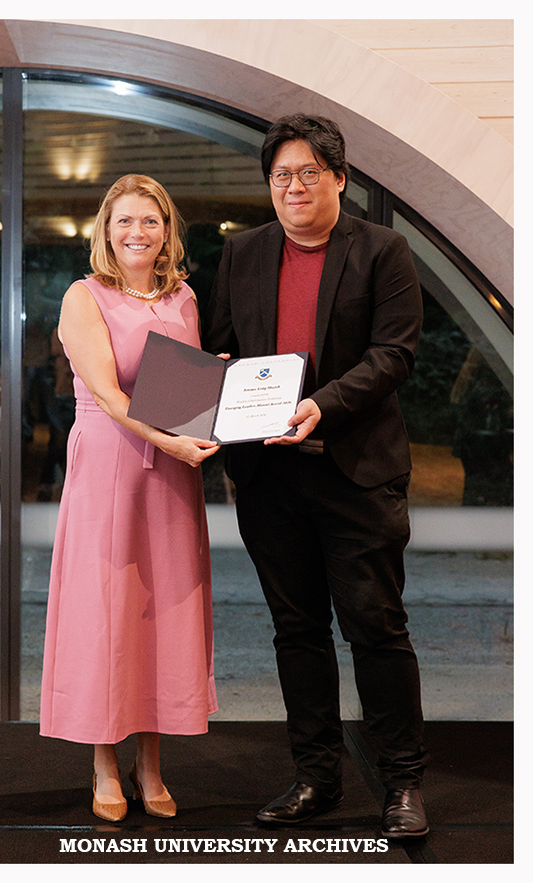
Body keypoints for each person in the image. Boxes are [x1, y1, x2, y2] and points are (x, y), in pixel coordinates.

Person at [204, 114, 429, 838]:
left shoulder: (383, 250)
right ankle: (316, 777)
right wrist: (210, 387)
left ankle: (402, 783)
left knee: (376, 626)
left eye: (308, 173)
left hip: (355, 471)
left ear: (338, 178)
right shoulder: (242, 252)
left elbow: (394, 354)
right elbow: (220, 349)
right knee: (296, 630)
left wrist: (320, 405)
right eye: (281, 175)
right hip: (268, 477)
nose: (294, 187)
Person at [40, 174, 219, 822]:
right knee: (108, 611)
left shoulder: (184, 297)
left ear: (167, 230)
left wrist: (221, 393)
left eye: (150, 220)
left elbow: (185, 391)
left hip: (172, 472)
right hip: (111, 463)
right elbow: (112, 398)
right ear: (106, 230)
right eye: (125, 220)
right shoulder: (84, 295)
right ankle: (104, 763)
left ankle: (151, 764)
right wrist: (169, 440)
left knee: (162, 613)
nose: (137, 231)